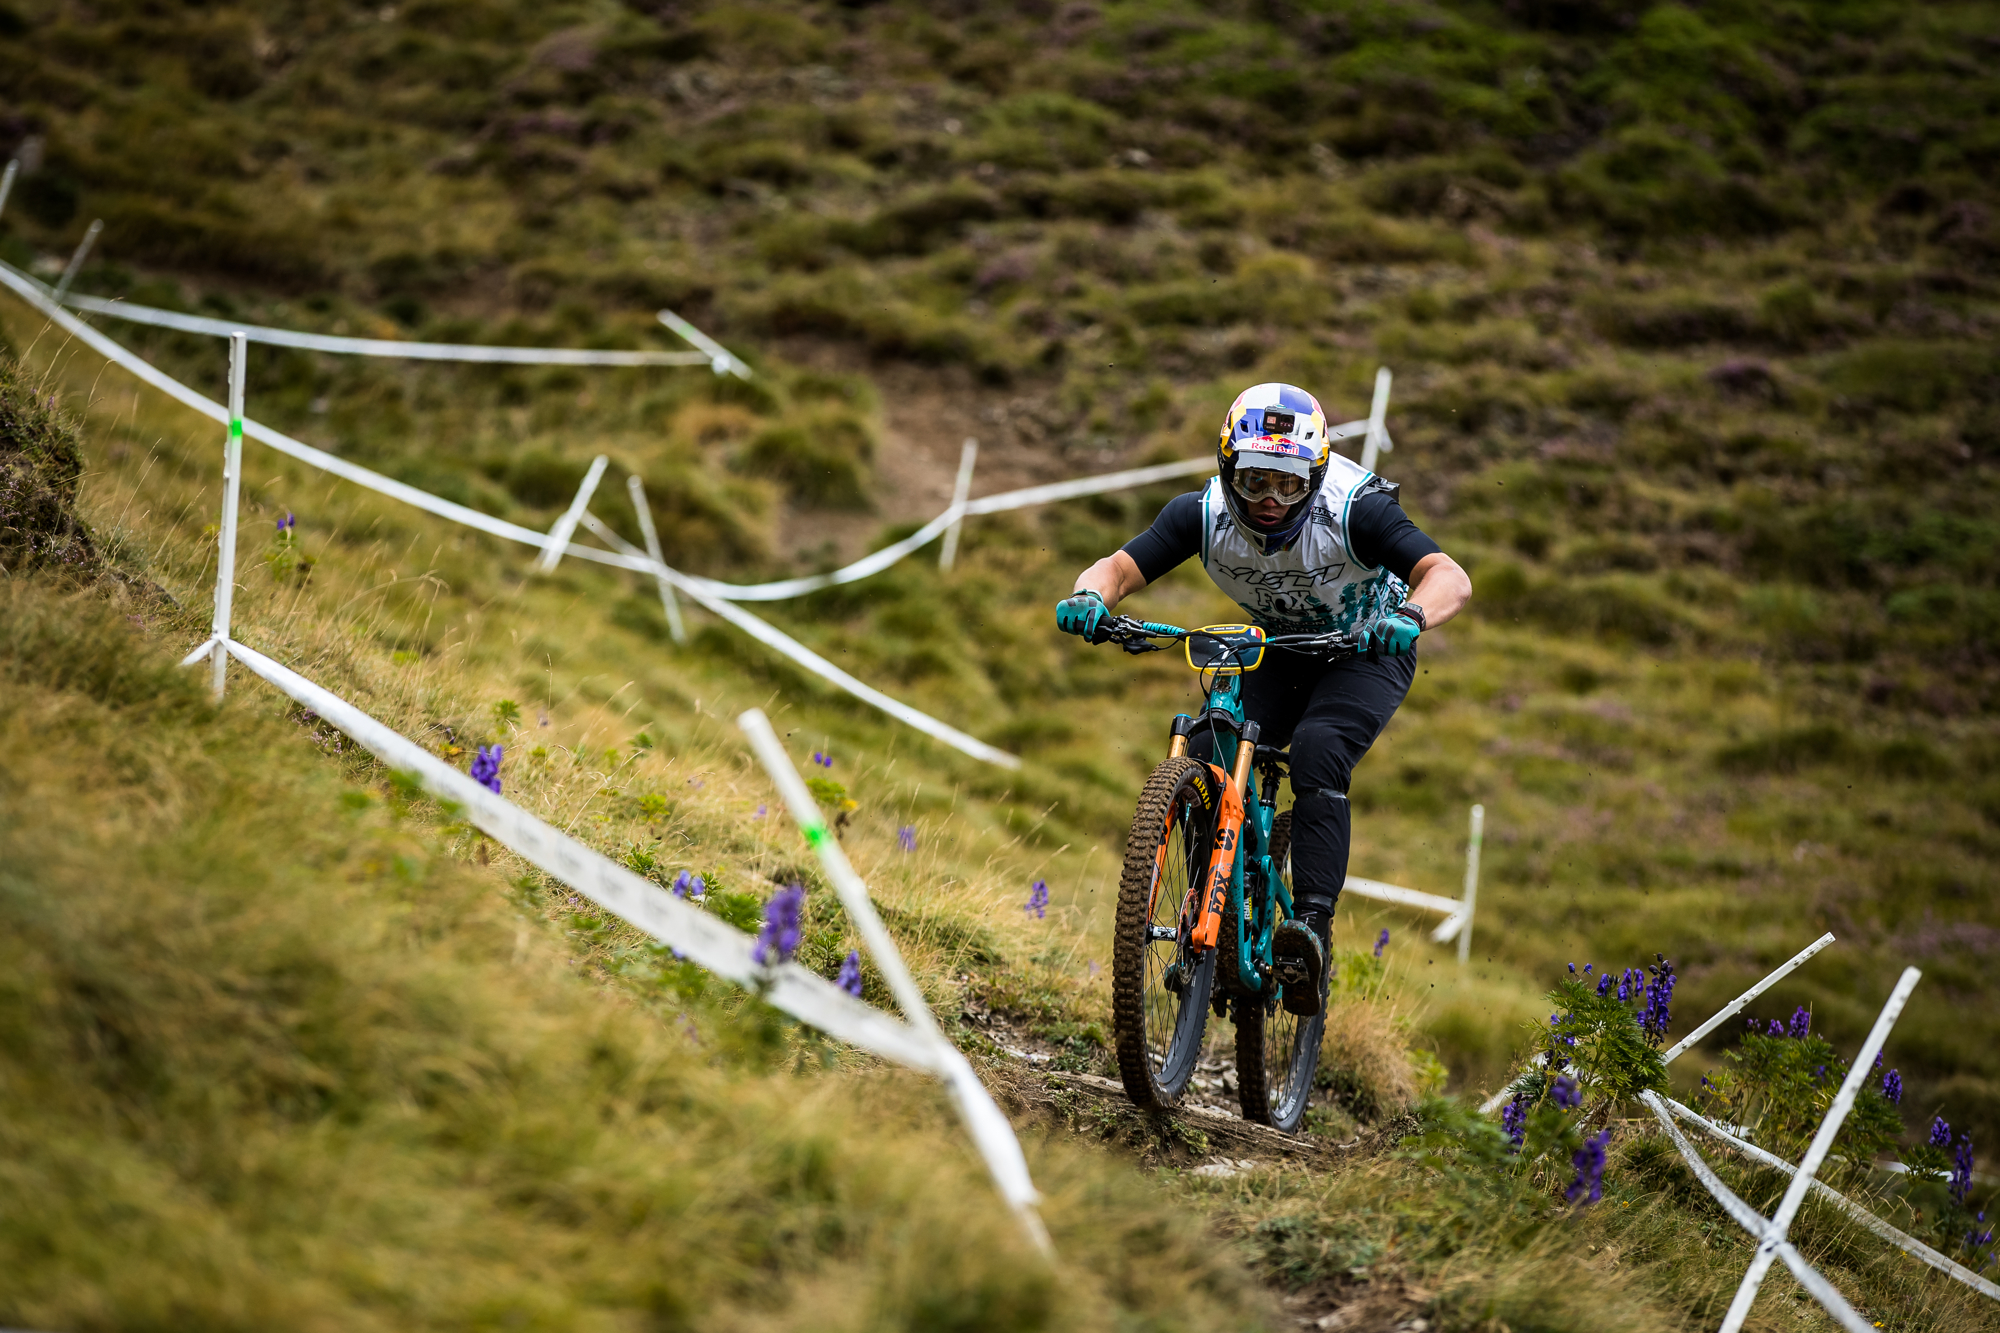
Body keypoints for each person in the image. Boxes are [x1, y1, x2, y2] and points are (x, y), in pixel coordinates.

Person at [1055, 382, 1470, 1016]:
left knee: (1318, 748)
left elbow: (1448, 576)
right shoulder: (1201, 515)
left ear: (1316, 477)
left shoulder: (1356, 510)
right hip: (1280, 646)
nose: (1271, 500)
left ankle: (1309, 933)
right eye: (1253, 481)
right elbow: (1115, 569)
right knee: (1205, 743)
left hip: (1368, 648)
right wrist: (1090, 597)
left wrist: (1410, 616)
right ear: (1228, 470)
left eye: (1290, 484)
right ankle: (1211, 904)